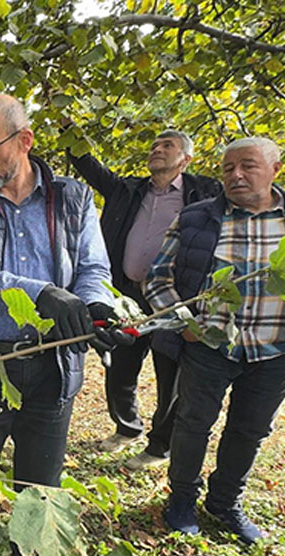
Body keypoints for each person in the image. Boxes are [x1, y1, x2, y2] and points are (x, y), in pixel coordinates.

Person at [0, 94, 130, 556]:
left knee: (40, 495)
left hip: (53, 370)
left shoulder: (74, 198)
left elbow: (93, 268)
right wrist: (38, 292)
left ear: (24, 140)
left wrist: (97, 309)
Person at [145, 137, 285, 544]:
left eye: (248, 166)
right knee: (192, 424)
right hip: (210, 347)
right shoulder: (197, 217)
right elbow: (158, 278)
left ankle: (225, 501)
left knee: (250, 430)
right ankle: (182, 498)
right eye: (227, 168)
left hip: (278, 349)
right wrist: (185, 323)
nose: (235, 175)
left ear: (276, 169)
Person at [66, 127, 222, 469]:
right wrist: (68, 130)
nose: (157, 149)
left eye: (167, 145)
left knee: (171, 377)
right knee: (120, 369)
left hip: (173, 301)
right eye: (154, 145)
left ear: (186, 158)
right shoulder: (127, 189)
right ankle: (127, 427)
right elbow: (89, 166)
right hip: (127, 298)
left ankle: (159, 446)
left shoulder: (207, 193)